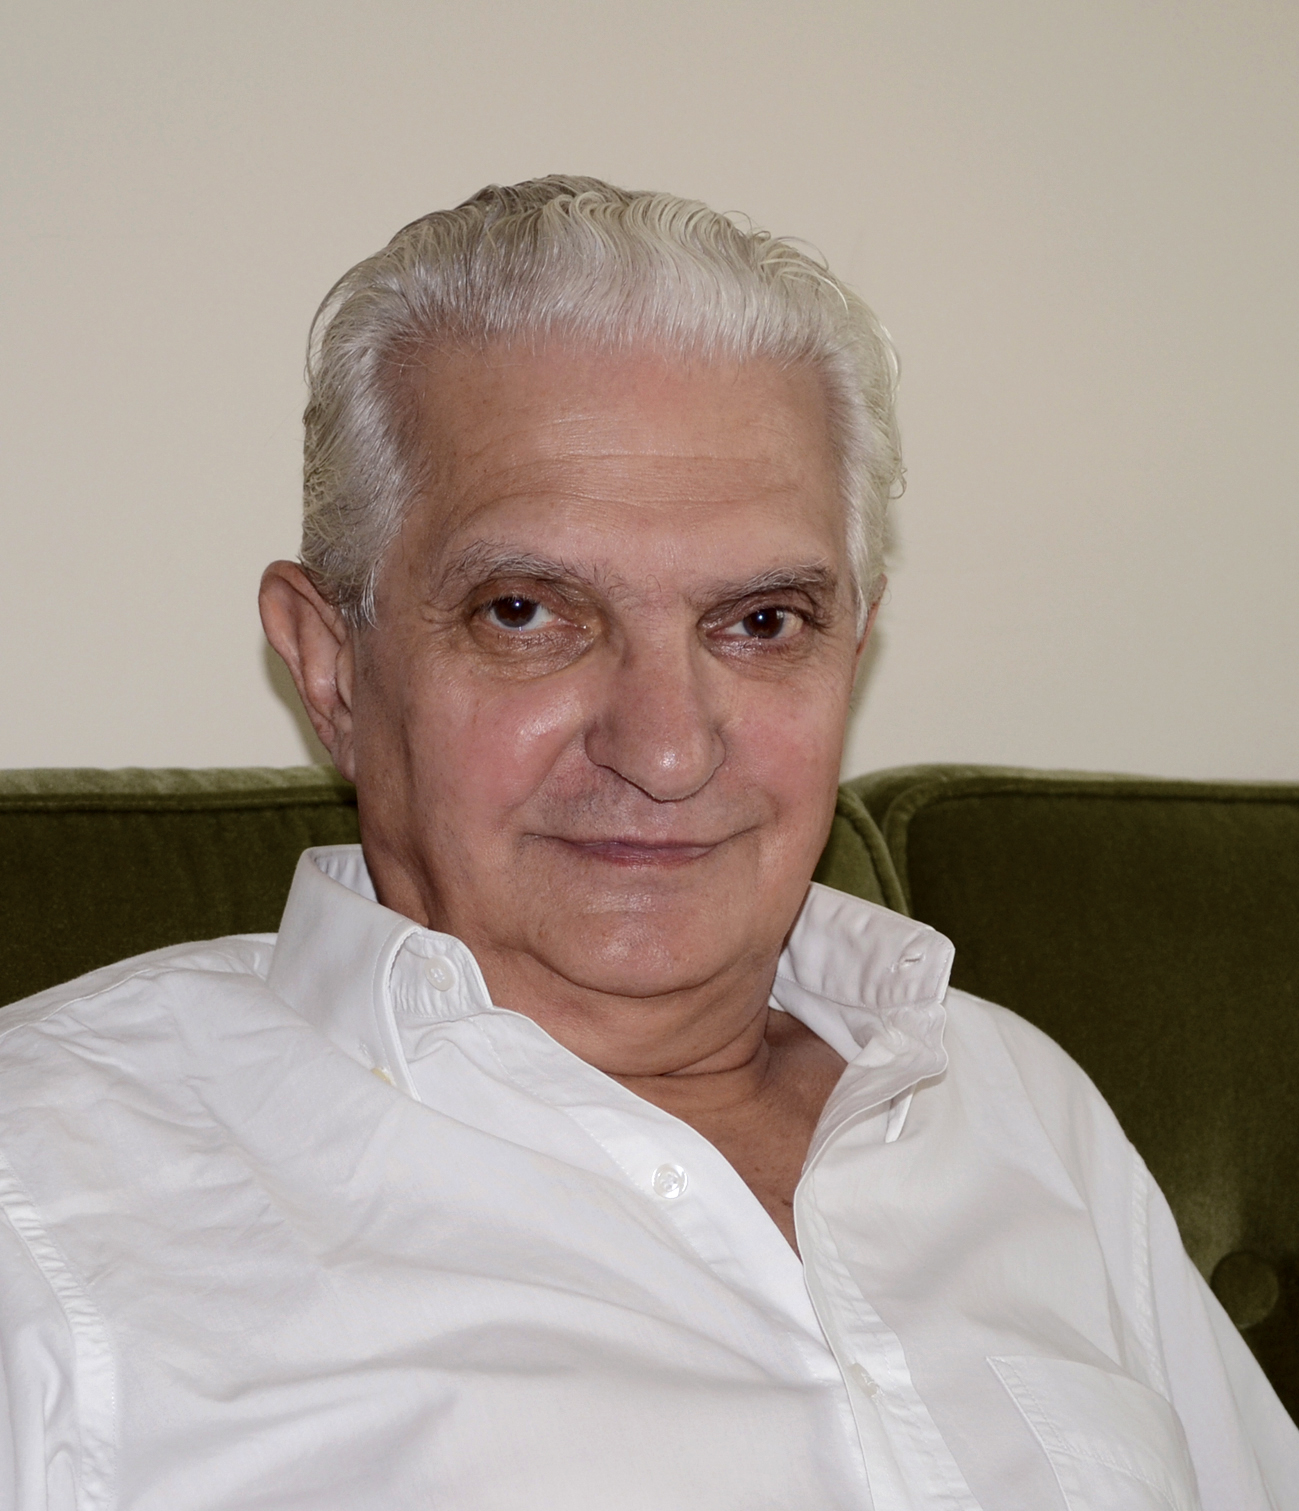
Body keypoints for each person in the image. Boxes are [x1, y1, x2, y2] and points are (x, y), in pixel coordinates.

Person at [0, 177, 1293, 1511]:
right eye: (525, 613)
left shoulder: (1013, 1102)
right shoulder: (45, 1185)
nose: (667, 750)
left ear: (854, 646)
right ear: (332, 667)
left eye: (763, 623)